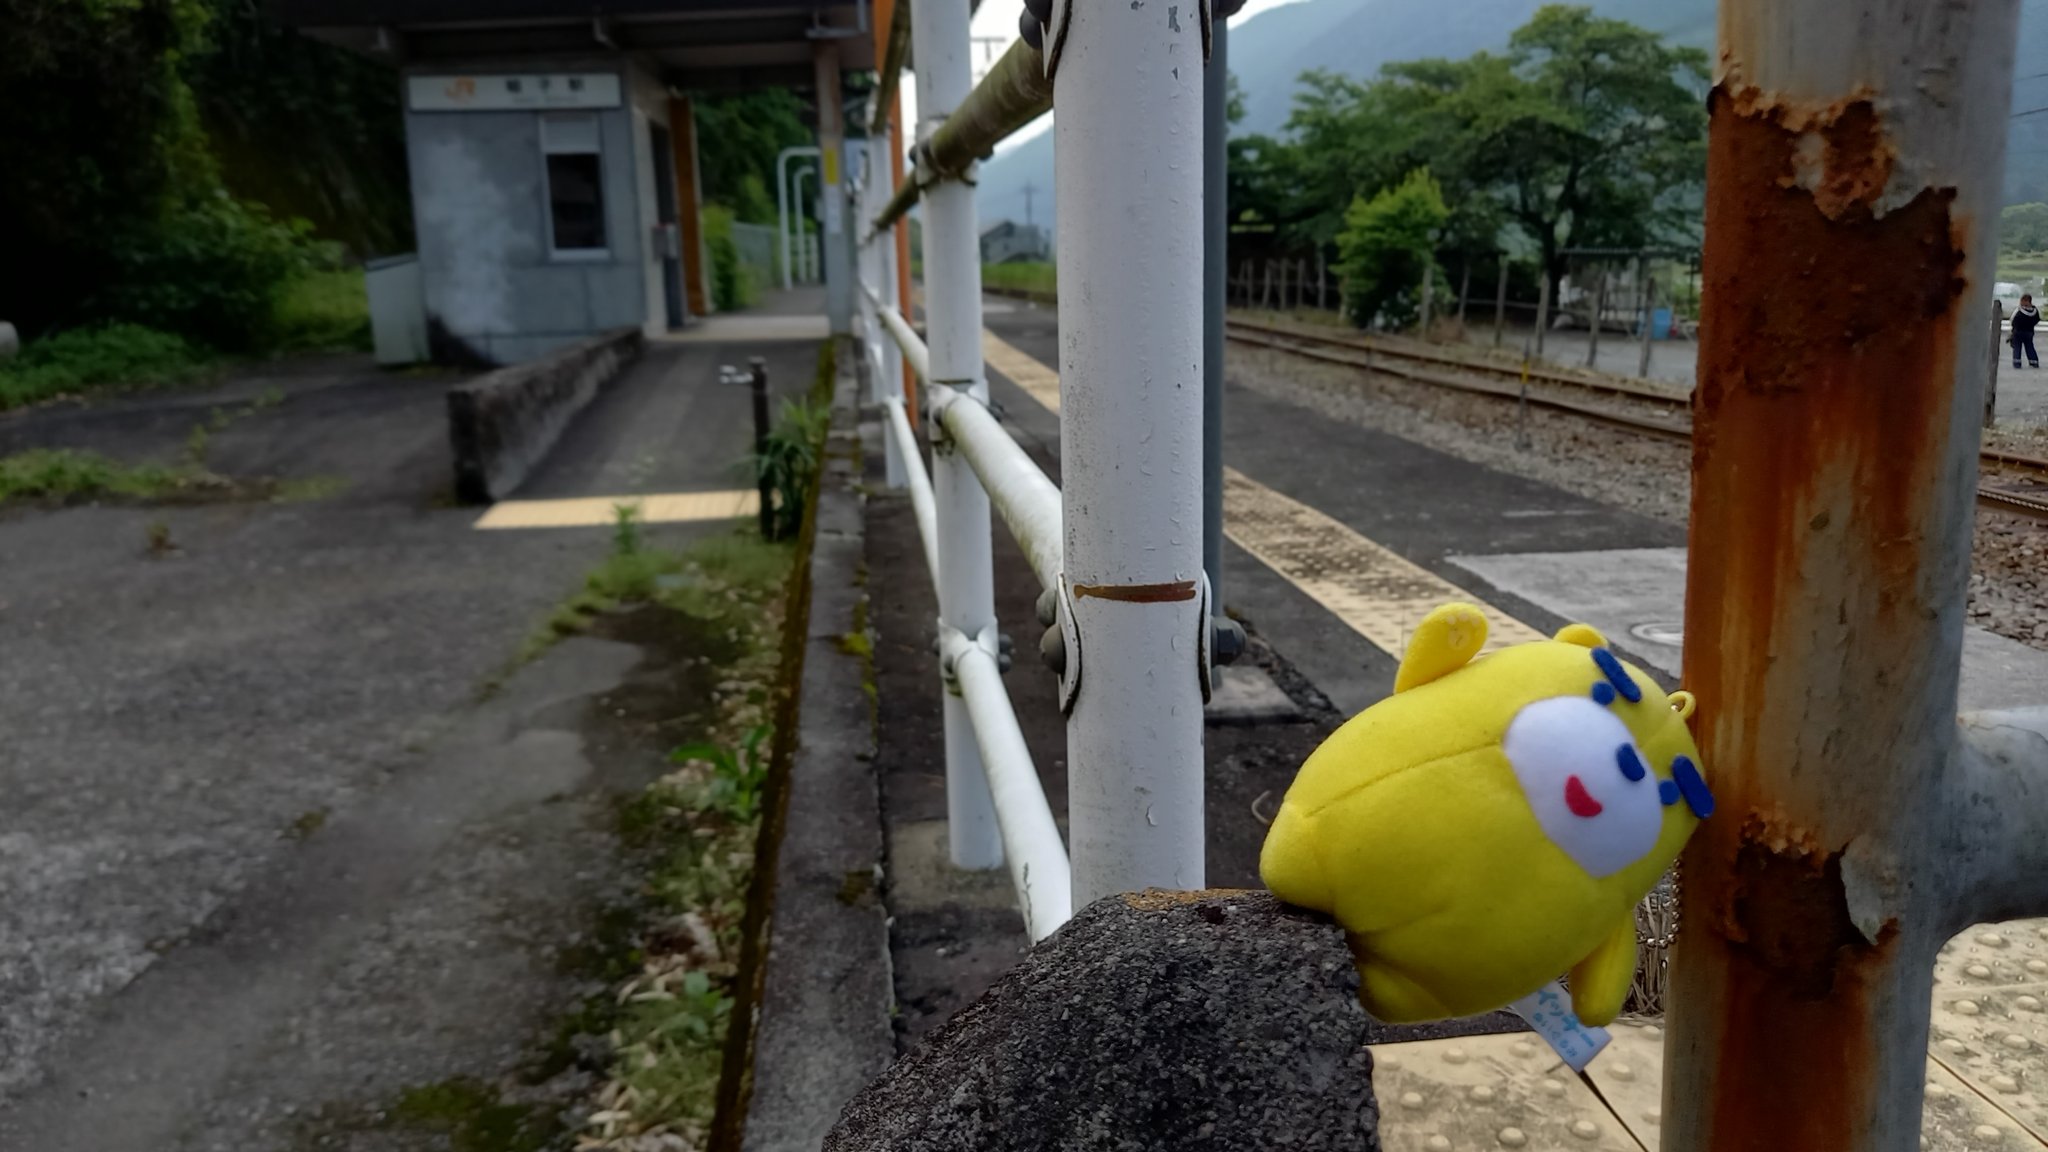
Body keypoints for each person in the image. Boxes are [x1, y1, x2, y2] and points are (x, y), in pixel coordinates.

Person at [2014, 294, 2041, 370]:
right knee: (2029, 346)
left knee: (2017, 347)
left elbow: (2014, 320)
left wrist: (2014, 329)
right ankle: (2034, 361)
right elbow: (2037, 319)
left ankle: (2017, 362)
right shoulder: (2034, 311)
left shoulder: (2019, 311)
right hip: (2029, 332)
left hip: (2018, 331)